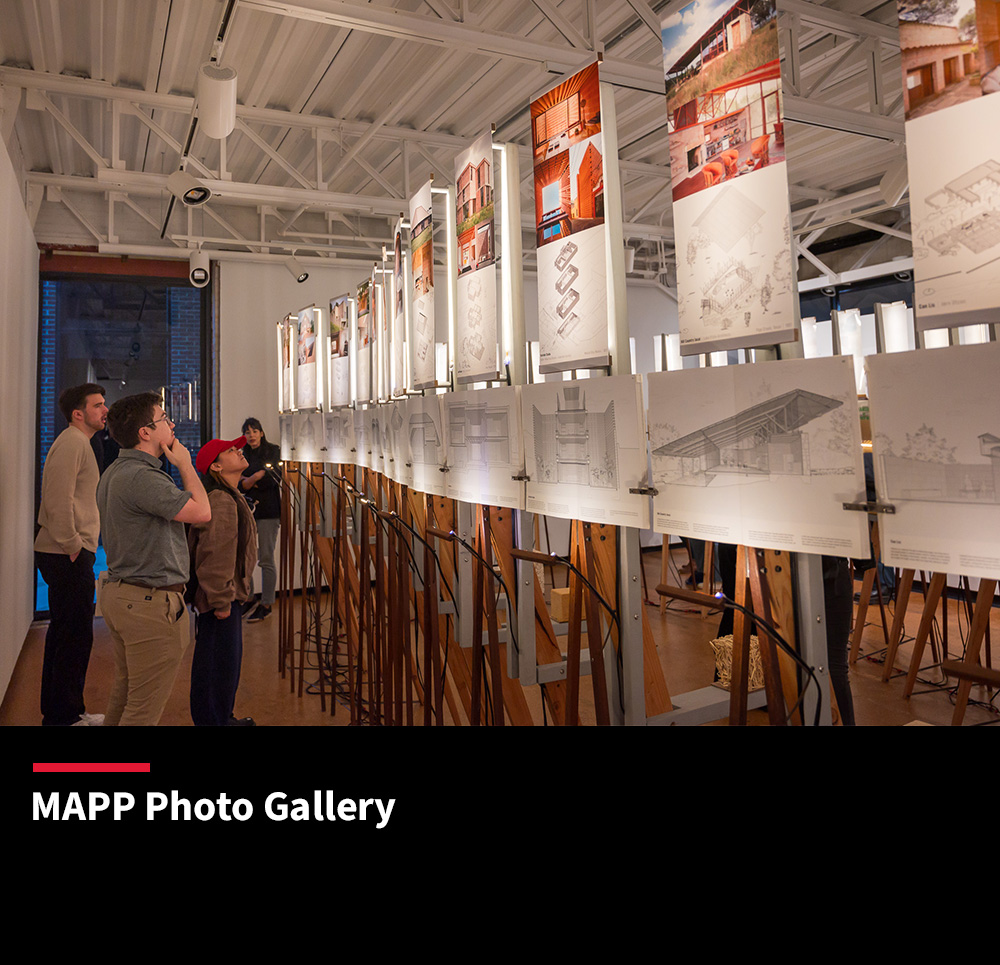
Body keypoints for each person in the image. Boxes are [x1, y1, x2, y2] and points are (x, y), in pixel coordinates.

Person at [96, 392, 211, 726]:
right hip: (148, 604)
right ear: (145, 432)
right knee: (142, 711)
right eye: (163, 419)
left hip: (124, 595)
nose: (171, 424)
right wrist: (186, 465)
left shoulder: (117, 470)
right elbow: (202, 512)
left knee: (126, 694)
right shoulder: (142, 477)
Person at [34, 383, 109, 726]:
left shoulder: (80, 442)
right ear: (78, 414)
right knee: (74, 636)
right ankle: (66, 716)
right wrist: (73, 545)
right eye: (98, 405)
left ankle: (63, 712)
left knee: (68, 633)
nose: (105, 410)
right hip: (66, 554)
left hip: (68, 553)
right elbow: (57, 499)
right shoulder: (72, 443)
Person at [188, 437, 258, 726]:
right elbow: (216, 552)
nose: (239, 450)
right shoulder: (220, 499)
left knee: (224, 663)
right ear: (216, 466)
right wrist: (220, 599)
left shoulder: (230, 494)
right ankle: (215, 721)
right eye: (230, 450)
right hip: (222, 599)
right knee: (218, 664)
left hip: (226, 596)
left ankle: (221, 718)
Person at [239, 417, 281, 622]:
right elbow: (237, 481)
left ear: (261, 432)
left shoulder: (273, 450)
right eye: (247, 432)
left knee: (266, 557)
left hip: (268, 511)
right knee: (245, 556)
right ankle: (248, 598)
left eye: (254, 431)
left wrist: (253, 479)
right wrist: (257, 476)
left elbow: (274, 477)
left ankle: (267, 603)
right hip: (247, 510)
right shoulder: (241, 453)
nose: (251, 435)